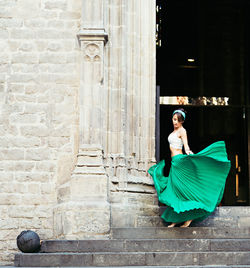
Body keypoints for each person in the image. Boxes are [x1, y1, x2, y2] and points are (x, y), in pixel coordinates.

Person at [148, 109, 231, 227]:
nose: (175, 122)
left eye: (178, 120)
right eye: (174, 119)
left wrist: (191, 154)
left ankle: (187, 219)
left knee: (181, 190)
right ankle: (176, 220)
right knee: (176, 191)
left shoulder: (182, 131)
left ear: (182, 121)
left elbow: (186, 147)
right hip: (174, 163)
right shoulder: (173, 131)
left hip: (180, 161)